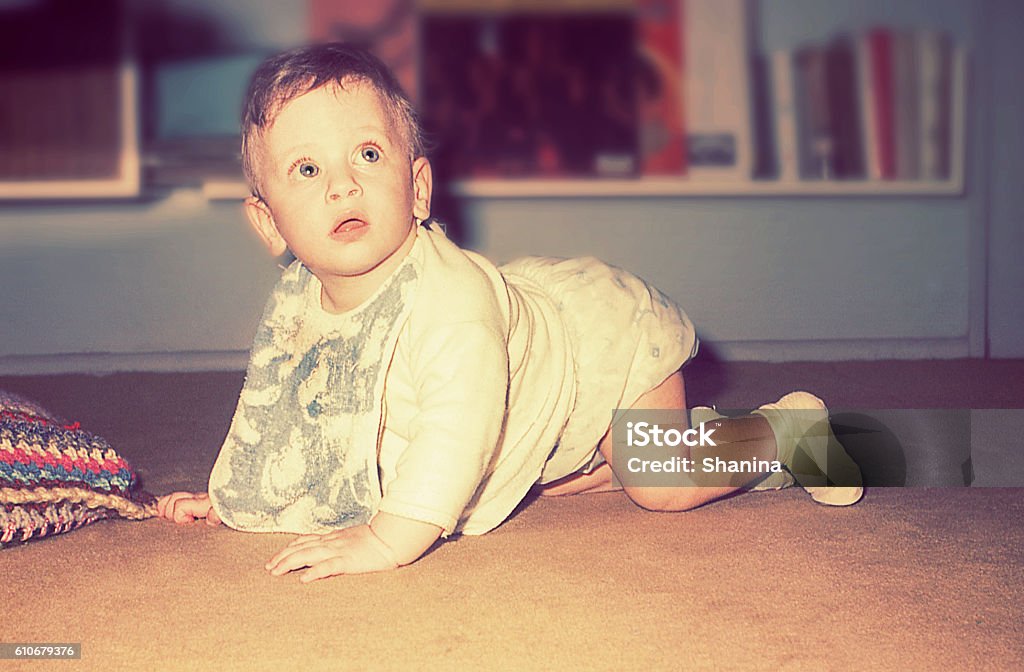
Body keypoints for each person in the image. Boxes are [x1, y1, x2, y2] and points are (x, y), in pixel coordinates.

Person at [157, 43, 863, 582]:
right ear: (268, 223)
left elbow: (456, 424)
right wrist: (240, 497)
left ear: (418, 186)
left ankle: (785, 434)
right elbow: (282, 412)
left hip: (597, 345)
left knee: (659, 480)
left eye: (368, 154)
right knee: (555, 477)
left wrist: (387, 537)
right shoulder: (296, 309)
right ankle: (593, 450)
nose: (343, 184)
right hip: (531, 368)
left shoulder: (448, 302)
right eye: (307, 170)